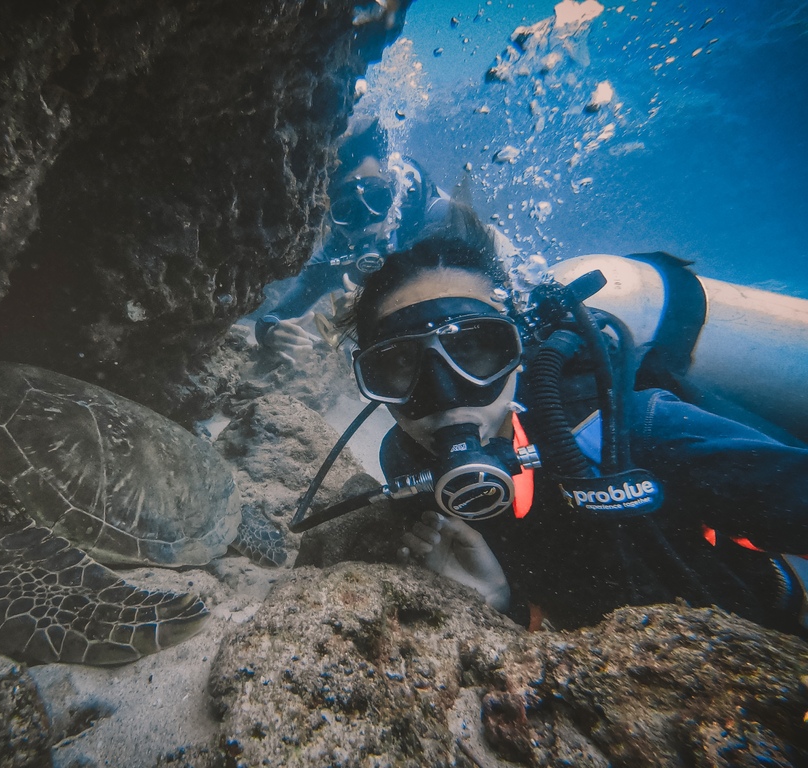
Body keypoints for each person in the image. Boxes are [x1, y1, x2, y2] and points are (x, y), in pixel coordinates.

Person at [343, 229, 808, 636]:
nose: (445, 394)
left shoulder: (631, 430)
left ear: (519, 348)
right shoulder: (405, 462)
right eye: (400, 364)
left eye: (473, 347)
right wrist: (498, 606)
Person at [255, 118, 453, 362]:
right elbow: (275, 316)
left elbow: (473, 309)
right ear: (330, 217)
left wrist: (377, 309)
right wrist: (271, 333)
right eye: (347, 212)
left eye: (379, 198)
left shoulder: (439, 222)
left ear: (396, 191)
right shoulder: (332, 258)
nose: (367, 220)